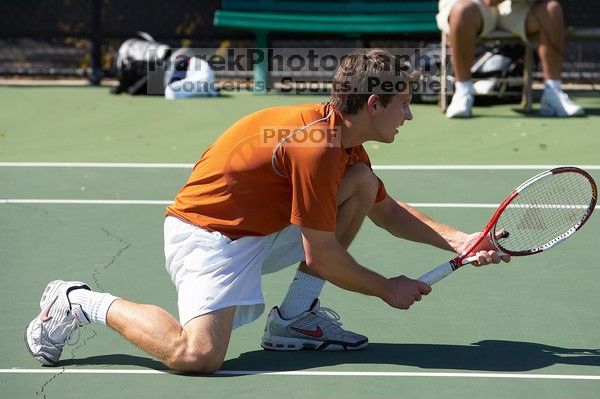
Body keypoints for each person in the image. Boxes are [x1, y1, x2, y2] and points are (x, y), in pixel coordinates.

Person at [25, 48, 509, 374]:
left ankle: (294, 319)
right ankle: (77, 300)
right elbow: (321, 256)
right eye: (402, 104)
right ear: (374, 103)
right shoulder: (316, 147)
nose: (409, 115)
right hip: (208, 235)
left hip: (262, 226)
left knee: (363, 185)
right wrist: (388, 288)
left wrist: (463, 240)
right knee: (196, 355)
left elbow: (385, 211)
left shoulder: (344, 138)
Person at [437, 0, 585, 118]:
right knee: (462, 11)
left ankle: (552, 93)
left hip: (513, 7)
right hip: (471, 5)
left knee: (552, 10)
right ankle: (462, 91)